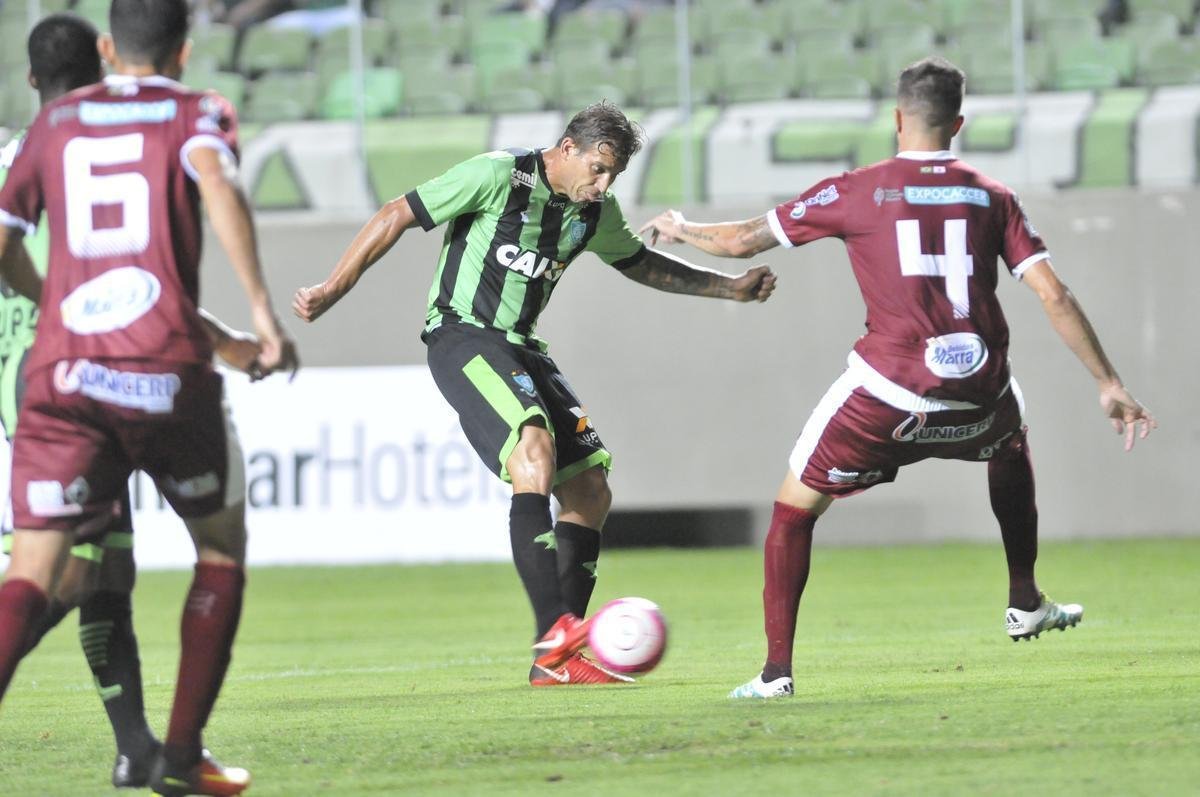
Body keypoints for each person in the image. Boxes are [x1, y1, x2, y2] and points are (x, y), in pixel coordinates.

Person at [638, 56, 1156, 700]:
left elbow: (742, 241)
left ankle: (776, 674)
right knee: (1011, 435)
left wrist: (681, 229)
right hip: (979, 392)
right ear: (958, 123)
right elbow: (1054, 294)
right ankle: (1024, 598)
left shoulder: (856, 190)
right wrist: (1108, 382)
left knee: (792, 511)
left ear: (897, 118)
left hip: (888, 394)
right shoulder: (993, 196)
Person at [293, 101, 776, 686]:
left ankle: (557, 665)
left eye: (614, 175)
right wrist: (333, 287)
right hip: (463, 335)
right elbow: (398, 212)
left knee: (591, 490)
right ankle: (556, 631)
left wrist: (730, 289)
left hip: (524, 347)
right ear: (568, 148)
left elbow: (641, 263)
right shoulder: (498, 175)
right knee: (533, 446)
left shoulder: (594, 213)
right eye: (598, 168)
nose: (603, 185)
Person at [0, 2, 298, 795]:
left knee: (36, 571)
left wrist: (54, 300)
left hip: (59, 378)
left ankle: (142, 748)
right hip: (163, 370)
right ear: (184, 49)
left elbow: (2, 247)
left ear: (110, 46)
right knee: (219, 547)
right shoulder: (197, 112)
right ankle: (181, 755)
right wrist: (262, 315)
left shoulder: (52, 127)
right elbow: (216, 184)